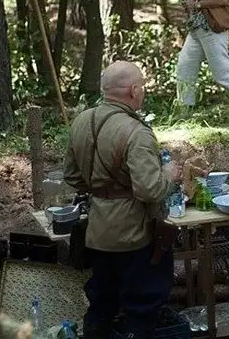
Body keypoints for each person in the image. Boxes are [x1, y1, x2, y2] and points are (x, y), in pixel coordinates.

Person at [63, 61, 183, 339]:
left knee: (101, 302)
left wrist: (102, 190)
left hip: (98, 229)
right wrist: (168, 174)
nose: (142, 92)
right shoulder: (136, 132)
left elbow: (72, 176)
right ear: (133, 90)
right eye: (141, 86)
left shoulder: (81, 121)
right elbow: (150, 190)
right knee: (141, 307)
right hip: (134, 234)